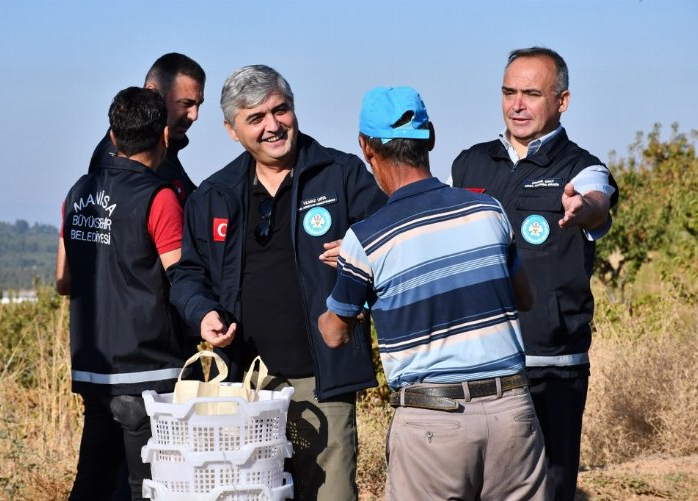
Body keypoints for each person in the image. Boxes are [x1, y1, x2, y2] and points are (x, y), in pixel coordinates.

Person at [318, 86, 549, 500]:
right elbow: (525, 298)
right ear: (433, 137)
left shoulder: (366, 240)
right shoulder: (489, 211)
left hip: (432, 421)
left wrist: (356, 287)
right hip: (512, 412)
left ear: (365, 147)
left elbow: (334, 334)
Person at [169, 64, 387, 500]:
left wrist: (362, 250)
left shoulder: (341, 176)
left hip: (323, 377)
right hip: (244, 385)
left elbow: (392, 243)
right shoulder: (214, 195)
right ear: (233, 130)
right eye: (256, 118)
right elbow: (187, 274)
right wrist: (203, 312)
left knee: (333, 493)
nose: (273, 126)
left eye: (280, 110)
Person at [449, 47, 618, 501]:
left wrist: (583, 208)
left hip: (550, 365)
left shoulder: (582, 168)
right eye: (508, 92)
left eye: (531, 93)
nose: (516, 104)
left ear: (561, 101)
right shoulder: (469, 164)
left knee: (551, 489)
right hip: (479, 363)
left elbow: (597, 200)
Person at [56, 87, 193, 500]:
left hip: (94, 371)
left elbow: (63, 281)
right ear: (164, 138)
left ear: (112, 137)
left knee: (91, 483)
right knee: (147, 488)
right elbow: (180, 277)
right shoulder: (160, 197)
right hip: (149, 370)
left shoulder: (77, 192)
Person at [88, 52, 205, 204]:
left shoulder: (165, 152)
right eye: (185, 103)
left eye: (198, 104)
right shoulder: (118, 157)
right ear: (152, 92)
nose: (194, 115)